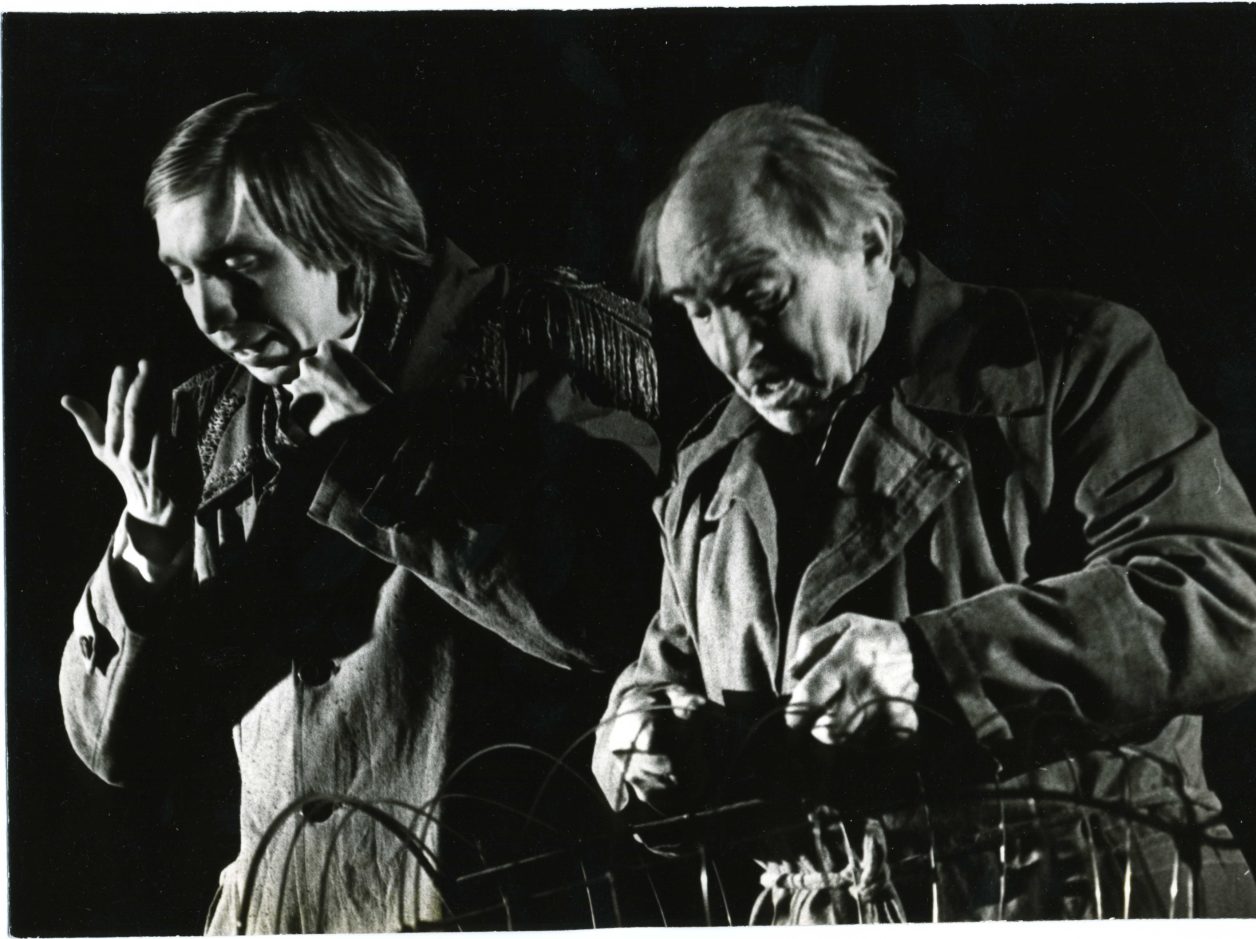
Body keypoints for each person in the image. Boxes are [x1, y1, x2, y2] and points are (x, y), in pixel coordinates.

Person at [592, 102, 1256, 923]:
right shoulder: (706, 475)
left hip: (1096, 902)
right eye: (698, 310)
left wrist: (936, 666)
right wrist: (637, 747)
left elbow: (1225, 596)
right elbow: (666, 678)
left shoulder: (1071, 364)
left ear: (873, 244)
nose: (734, 353)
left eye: (760, 296)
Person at [59, 93, 663, 933]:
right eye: (184, 274)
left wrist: (392, 454)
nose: (211, 316)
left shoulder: (534, 339)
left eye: (240, 264)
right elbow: (118, 750)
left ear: (341, 238)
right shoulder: (209, 423)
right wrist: (146, 549)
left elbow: (607, 617)